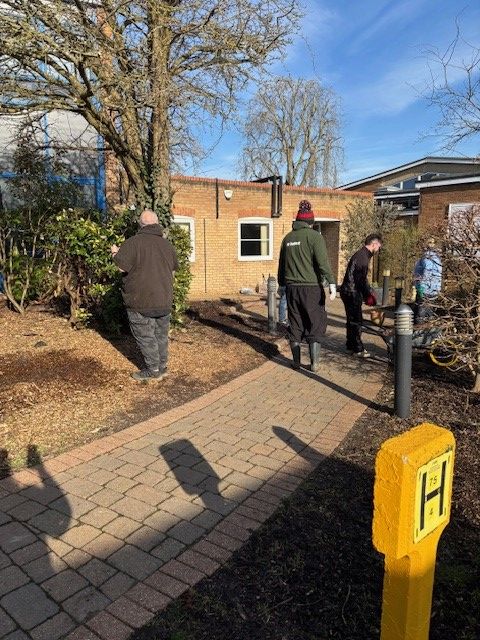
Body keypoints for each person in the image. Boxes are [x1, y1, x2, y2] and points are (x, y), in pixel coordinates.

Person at [111, 209, 178, 381]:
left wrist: (115, 253)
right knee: (161, 336)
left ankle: (153, 370)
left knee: (146, 337)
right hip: (164, 299)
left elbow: (121, 268)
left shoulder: (133, 243)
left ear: (140, 224)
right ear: (157, 224)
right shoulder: (167, 245)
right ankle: (162, 367)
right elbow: (172, 271)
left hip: (140, 300)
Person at [277, 200, 336, 372]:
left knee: (295, 322)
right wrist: (332, 282)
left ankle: (296, 362)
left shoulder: (287, 239)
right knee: (315, 323)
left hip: (292, 289)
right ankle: (314, 364)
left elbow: (282, 265)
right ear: (311, 221)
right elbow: (323, 263)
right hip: (311, 289)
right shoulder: (315, 237)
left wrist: (282, 284)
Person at [339, 233, 382, 358]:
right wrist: (368, 295)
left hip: (348, 290)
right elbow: (360, 279)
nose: (378, 249)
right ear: (374, 244)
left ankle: (350, 346)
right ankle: (358, 349)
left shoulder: (361, 255)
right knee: (356, 321)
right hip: (352, 292)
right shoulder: (363, 257)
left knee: (351, 320)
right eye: (378, 246)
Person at [413, 238, 442, 324]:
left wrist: (420, 286)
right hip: (435, 289)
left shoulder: (426, 258)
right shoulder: (438, 258)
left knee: (421, 312)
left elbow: (426, 272)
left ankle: (420, 327)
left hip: (425, 288)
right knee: (430, 311)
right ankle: (429, 326)